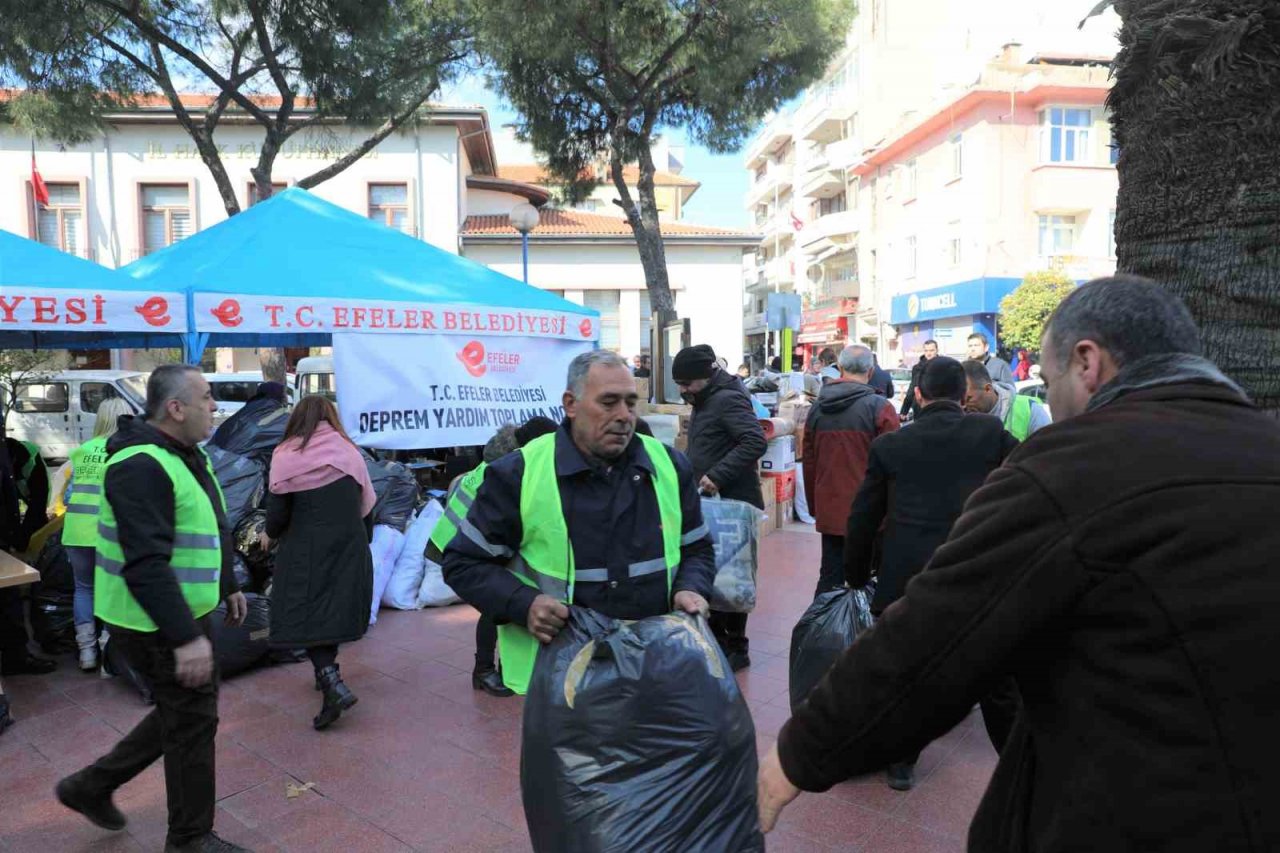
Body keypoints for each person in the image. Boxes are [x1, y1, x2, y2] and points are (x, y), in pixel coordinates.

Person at [759, 276, 1280, 851]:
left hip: (1126, 813)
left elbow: (930, 639)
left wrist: (795, 756)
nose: (1052, 402)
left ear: (1088, 362)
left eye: (1052, 381)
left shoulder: (1075, 465)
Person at [440, 350, 716, 695]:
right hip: (560, 683)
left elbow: (698, 548)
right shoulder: (519, 474)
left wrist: (691, 587)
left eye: (631, 403)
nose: (624, 416)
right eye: (608, 402)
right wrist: (525, 604)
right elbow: (462, 563)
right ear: (570, 404)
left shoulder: (670, 465)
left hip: (655, 671)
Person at [56, 365, 249, 853]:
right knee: (193, 722)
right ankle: (189, 839)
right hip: (152, 622)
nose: (215, 406)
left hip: (176, 613)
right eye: (206, 398)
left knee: (182, 715)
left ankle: (90, 786)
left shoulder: (183, 455)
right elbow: (145, 563)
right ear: (175, 407)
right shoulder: (141, 464)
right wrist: (185, 638)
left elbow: (207, 523)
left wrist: (227, 584)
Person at [843, 356, 1020, 791]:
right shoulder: (991, 433)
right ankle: (1023, 768)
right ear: (964, 395)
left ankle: (902, 763)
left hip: (907, 580)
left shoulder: (891, 447)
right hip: (975, 574)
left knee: (907, 677)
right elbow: (1027, 476)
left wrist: (854, 573)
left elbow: (864, 517)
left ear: (918, 395)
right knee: (996, 681)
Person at [261, 395, 376, 731]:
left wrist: (270, 535)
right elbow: (366, 503)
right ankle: (327, 680)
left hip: (306, 548)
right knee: (332, 609)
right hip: (349, 543)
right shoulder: (348, 451)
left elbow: (277, 516)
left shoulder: (285, 456)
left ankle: (331, 680)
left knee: (304, 612)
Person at [429, 417, 560, 698]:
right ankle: (484, 670)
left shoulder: (505, 460)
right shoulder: (510, 471)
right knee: (494, 605)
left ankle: (494, 668)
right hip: (460, 546)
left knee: (502, 598)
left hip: (459, 539)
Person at [672, 344, 768, 671]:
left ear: (706, 376)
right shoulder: (707, 397)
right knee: (713, 574)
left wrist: (717, 475)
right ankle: (716, 641)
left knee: (733, 578)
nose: (683, 391)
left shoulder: (727, 398)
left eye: (687, 384)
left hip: (733, 504)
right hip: (712, 503)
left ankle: (737, 647)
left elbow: (755, 440)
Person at [803, 345, 900, 597]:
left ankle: (822, 631)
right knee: (870, 580)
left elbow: (809, 462)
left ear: (840, 368)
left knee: (830, 578)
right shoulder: (881, 409)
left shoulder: (817, 408)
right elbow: (894, 467)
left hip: (831, 508)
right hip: (872, 514)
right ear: (870, 371)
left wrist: (816, 506)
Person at [62, 397, 133, 672]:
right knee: (112, 591)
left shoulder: (82, 451)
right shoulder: (125, 452)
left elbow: (69, 495)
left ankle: (87, 653)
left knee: (84, 589)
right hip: (108, 534)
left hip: (77, 532)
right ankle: (109, 653)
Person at [0, 425, 57, 681]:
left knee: (10, 596)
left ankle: (16, 654)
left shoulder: (30, 461)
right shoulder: (8, 455)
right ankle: (15, 655)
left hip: (10, 531)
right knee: (9, 596)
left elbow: (36, 506)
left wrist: (20, 540)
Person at [963, 360, 1052, 440]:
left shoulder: (1030, 409)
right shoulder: (959, 417)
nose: (963, 405)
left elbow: (1048, 451)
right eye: (959, 399)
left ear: (988, 389)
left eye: (968, 398)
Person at [899, 339, 939, 419]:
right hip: (920, 407)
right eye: (926, 350)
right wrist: (904, 410)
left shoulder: (943, 366)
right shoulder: (917, 368)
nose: (929, 353)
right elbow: (912, 389)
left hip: (938, 407)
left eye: (931, 350)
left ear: (937, 351)